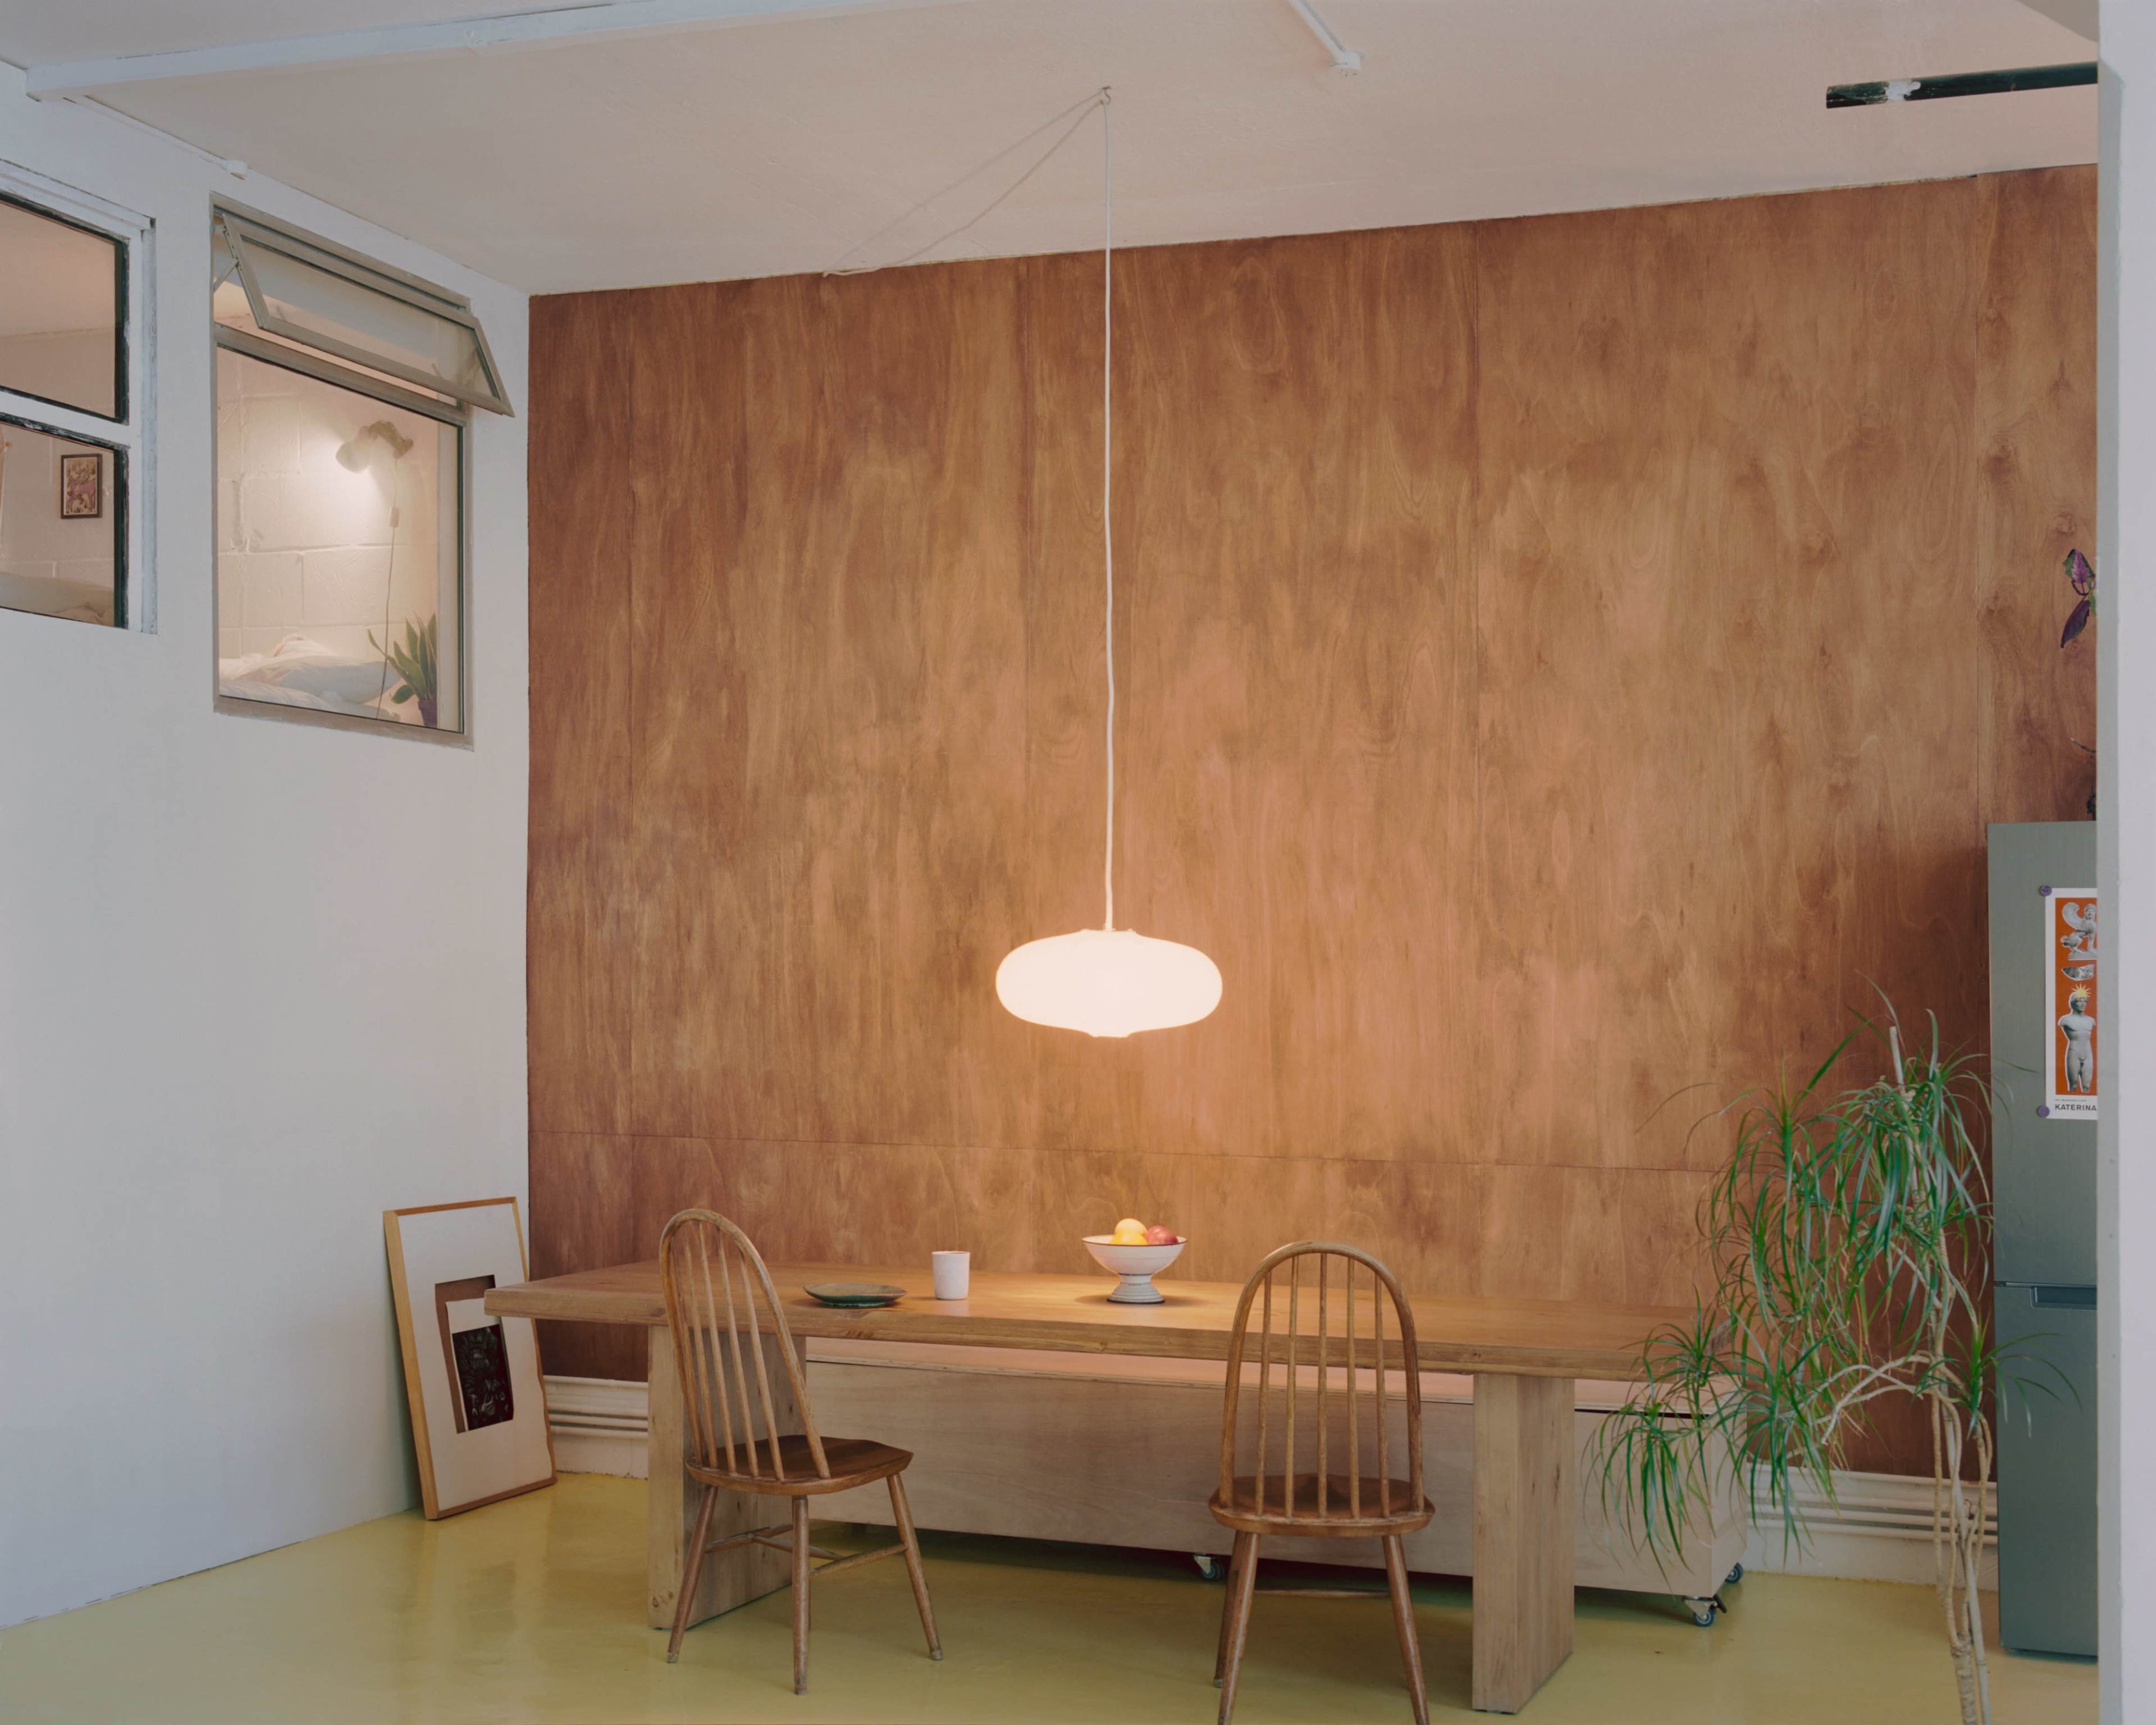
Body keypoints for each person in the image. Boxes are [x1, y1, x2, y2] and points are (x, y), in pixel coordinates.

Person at [2059, 987, 2096, 1094]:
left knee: (2087, 1086)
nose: (2082, 1004)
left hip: (2088, 1052)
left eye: (2084, 1001)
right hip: (2074, 1052)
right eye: (2079, 1001)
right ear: (2073, 1003)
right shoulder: (2066, 1020)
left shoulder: (2091, 1020)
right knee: (2073, 1085)